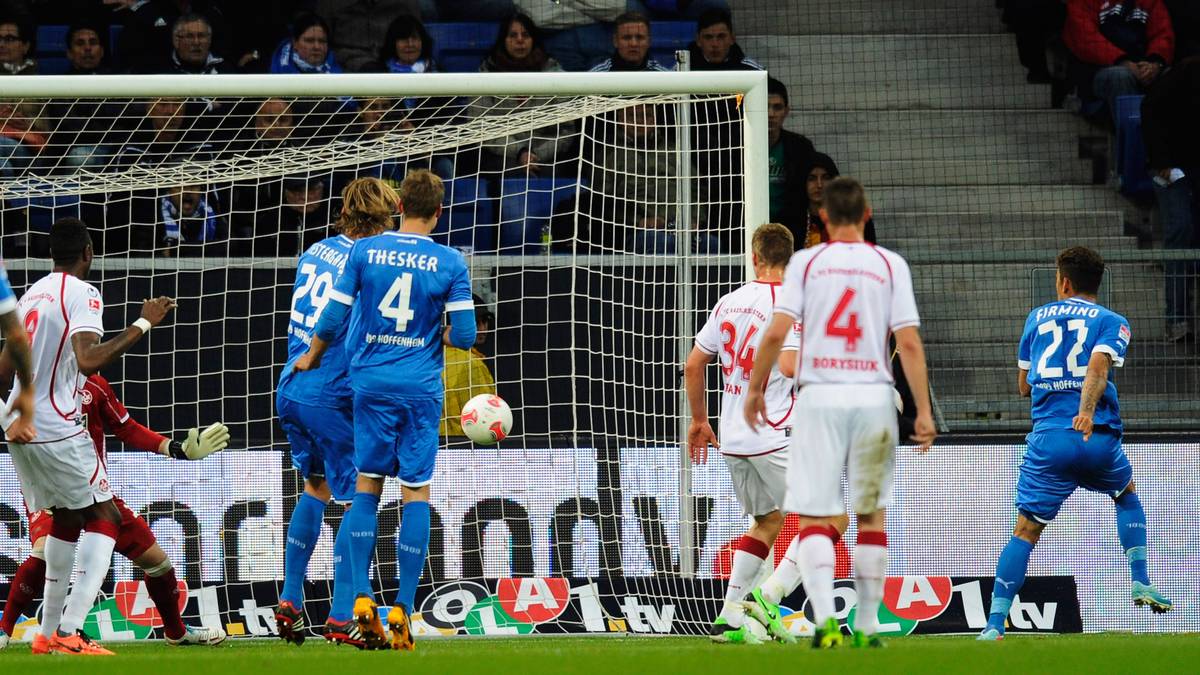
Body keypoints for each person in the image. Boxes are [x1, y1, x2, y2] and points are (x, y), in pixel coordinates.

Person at [744, 177, 936, 649]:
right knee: (870, 516)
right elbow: (908, 342)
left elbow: (776, 334)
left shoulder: (806, 264)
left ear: (824, 217)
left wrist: (755, 390)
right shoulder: (889, 264)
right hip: (872, 397)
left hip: (820, 399)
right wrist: (923, 409)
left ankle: (826, 623)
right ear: (867, 214)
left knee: (817, 516)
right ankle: (866, 626)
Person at [293, 170, 475, 651]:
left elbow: (333, 315)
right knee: (415, 491)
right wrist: (432, 333)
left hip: (368, 385)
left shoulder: (365, 252)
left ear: (400, 206)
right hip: (419, 388)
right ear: (439, 212)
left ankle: (357, 599)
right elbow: (466, 336)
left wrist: (311, 356)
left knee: (366, 488)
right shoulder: (451, 261)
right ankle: (405, 610)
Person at [978, 246, 1173, 640]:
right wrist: (1086, 411)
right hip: (1097, 439)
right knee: (1126, 495)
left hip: (1050, 441)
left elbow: (1023, 386)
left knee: (1025, 531)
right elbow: (1098, 367)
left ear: (1063, 282)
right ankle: (1140, 579)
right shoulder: (1113, 322)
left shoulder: (1036, 318)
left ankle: (994, 625)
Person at [3, 217, 176, 656]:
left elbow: (5, 367)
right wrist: (143, 323)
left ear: (50, 254)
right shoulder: (84, 293)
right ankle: (71, 629)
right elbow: (88, 360)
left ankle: (46, 635)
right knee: (106, 515)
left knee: (65, 520)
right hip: (58, 426)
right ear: (88, 253)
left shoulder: (31, 295)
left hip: (18, 425)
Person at [0, 373, 229, 649]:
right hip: (52, 490)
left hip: (94, 492)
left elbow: (127, 428)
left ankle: (176, 632)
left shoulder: (95, 385)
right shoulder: (37, 383)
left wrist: (175, 448)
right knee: (44, 552)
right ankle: (7, 630)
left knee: (159, 564)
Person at [274, 178, 397, 648]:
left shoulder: (315, 250)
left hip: (292, 386)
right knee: (361, 496)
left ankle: (290, 599)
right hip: (331, 392)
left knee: (316, 486)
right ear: (384, 218)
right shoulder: (370, 262)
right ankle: (343, 615)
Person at [685, 223, 805, 644]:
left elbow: (693, 364)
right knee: (830, 518)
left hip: (733, 438)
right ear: (791, 259)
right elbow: (790, 366)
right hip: (773, 434)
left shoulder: (729, 302)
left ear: (754, 257)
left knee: (767, 521)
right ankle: (768, 597)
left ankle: (728, 618)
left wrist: (699, 420)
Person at [469, 13, 577, 179]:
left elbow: (566, 131)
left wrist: (536, 155)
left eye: (525, 35)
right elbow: (481, 129)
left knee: (553, 171)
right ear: (503, 40)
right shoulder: (486, 75)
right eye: (513, 35)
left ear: (534, 40)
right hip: (503, 155)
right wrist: (520, 152)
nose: (520, 40)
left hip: (547, 156)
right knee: (509, 171)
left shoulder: (555, 76)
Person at [1141, 57, 1199, 343]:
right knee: (1180, 230)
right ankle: (1177, 320)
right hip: (1171, 168)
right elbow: (1150, 109)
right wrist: (1162, 161)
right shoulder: (1183, 75)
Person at [1063, 0, 1174, 124]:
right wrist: (1123, 62)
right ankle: (1132, 134)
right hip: (1098, 72)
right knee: (1120, 76)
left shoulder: (1152, 2)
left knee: (1173, 75)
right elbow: (1085, 38)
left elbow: (1162, 34)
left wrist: (1155, 64)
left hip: (1144, 68)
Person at [764, 78, 815, 244]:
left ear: (786, 111)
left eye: (777, 107)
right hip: (747, 229)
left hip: (790, 232)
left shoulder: (801, 148)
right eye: (765, 106)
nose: (771, 114)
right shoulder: (738, 146)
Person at [316, 0, 423, 72]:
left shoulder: (406, 4)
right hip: (345, 66)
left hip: (395, 64)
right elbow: (320, 40)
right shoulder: (331, 3)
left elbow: (418, 37)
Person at [441, 297, 495, 437]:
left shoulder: (428, 357)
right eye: (476, 322)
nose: (482, 329)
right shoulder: (472, 364)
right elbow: (485, 419)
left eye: (485, 321)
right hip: (461, 444)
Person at [798, 153, 876, 248]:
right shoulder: (793, 219)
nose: (819, 185)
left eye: (825, 178)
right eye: (812, 178)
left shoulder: (853, 217)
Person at [588, 12, 669, 72]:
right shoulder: (596, 77)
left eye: (639, 37)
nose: (633, 44)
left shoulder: (664, 78)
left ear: (649, 41)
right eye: (627, 38)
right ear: (615, 41)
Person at [686, 9, 762, 71]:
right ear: (698, 40)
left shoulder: (752, 71)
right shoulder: (683, 70)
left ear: (732, 39)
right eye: (708, 37)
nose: (715, 44)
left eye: (721, 36)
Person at [269, 12, 342, 74]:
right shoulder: (276, 71)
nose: (317, 47)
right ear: (295, 43)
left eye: (322, 41)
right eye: (309, 41)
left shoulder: (338, 76)